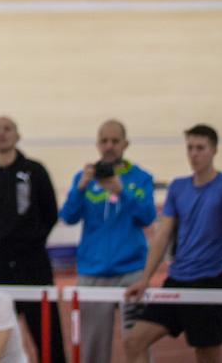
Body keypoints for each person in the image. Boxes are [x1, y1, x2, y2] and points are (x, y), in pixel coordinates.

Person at [122, 124, 222, 363]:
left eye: (200, 148)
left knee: (206, 357)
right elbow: (162, 235)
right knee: (133, 341)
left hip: (210, 280)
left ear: (214, 150)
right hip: (178, 279)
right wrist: (146, 279)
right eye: (190, 148)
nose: (194, 154)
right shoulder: (178, 187)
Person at [57, 119, 155, 361]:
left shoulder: (140, 177)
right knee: (92, 349)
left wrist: (121, 191)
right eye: (104, 140)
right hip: (93, 273)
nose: (109, 146)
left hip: (131, 272)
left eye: (115, 141)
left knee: (137, 344)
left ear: (125, 144)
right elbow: (68, 217)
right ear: (97, 144)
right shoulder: (85, 177)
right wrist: (80, 188)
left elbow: (147, 217)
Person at [0, 116, 66, 363]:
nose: (2, 133)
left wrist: (32, 239)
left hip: (33, 262)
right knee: (0, 336)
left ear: (17, 135)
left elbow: (50, 212)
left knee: (47, 331)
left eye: (7, 129)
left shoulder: (35, 170)